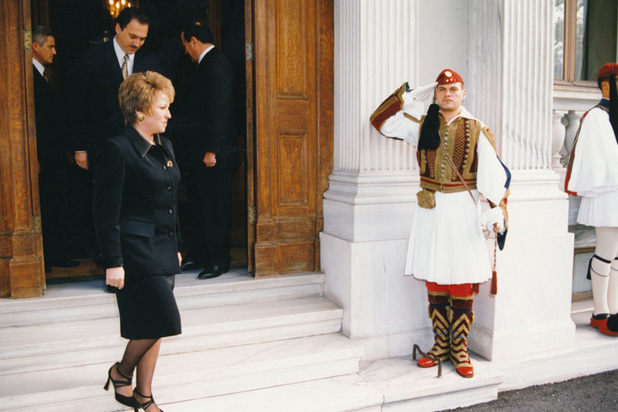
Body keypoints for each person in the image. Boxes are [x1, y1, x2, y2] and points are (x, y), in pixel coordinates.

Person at [370, 69, 511, 378]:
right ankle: (440, 345)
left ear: (464, 93)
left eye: (454, 89)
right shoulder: (422, 125)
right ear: (436, 94)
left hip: (463, 208)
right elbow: (380, 120)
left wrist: (497, 209)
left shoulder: (477, 129)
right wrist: (412, 93)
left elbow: (494, 175)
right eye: (442, 89)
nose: (448, 94)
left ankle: (459, 348)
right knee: (435, 276)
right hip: (430, 211)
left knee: (461, 278)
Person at [95, 71, 181, 412]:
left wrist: (176, 244)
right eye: (163, 107)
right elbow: (104, 212)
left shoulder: (165, 145)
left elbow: (172, 199)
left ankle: (144, 396)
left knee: (153, 325)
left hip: (162, 246)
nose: (169, 114)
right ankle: (121, 371)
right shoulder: (117, 149)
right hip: (134, 251)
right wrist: (112, 261)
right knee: (163, 319)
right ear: (140, 111)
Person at [66, 7, 159, 258]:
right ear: (118, 28)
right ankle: (106, 259)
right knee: (106, 204)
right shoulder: (93, 57)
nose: (137, 43)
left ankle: (134, 257)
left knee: (135, 203)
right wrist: (80, 147)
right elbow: (79, 105)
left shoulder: (149, 61)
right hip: (102, 147)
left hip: (139, 149)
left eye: (142, 39)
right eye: (132, 36)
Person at [170, 21, 239, 280]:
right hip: (202, 154)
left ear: (194, 40)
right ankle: (199, 256)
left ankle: (219, 262)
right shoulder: (204, 65)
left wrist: (212, 150)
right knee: (200, 207)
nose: (185, 50)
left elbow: (219, 112)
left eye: (185, 44)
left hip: (216, 155)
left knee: (215, 210)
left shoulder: (217, 65)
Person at [565, 63, 618, 337]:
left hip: (615, 192)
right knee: (607, 251)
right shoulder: (598, 116)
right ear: (607, 84)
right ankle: (600, 312)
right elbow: (607, 160)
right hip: (607, 194)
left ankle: (614, 311)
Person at [31, 25, 79, 272]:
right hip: (42, 157)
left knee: (54, 202)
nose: (55, 51)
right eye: (50, 46)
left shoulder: (40, 75)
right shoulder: (27, 77)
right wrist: (35, 157)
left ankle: (56, 255)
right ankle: (49, 258)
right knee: (47, 205)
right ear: (35, 46)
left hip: (52, 155)